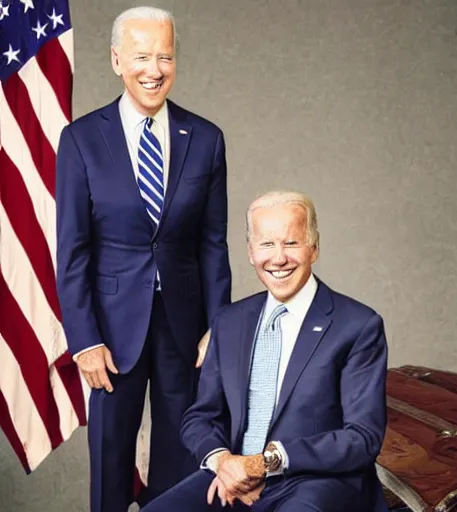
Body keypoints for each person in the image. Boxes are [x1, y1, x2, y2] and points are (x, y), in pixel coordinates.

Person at [55, 6, 231, 512]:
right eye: (141, 56)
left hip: (186, 331)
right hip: (109, 334)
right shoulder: (82, 140)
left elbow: (212, 245)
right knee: (111, 466)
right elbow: (72, 251)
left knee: (183, 463)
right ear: (116, 60)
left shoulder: (206, 139)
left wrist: (217, 327)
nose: (154, 69)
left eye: (165, 56)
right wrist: (83, 339)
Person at [142, 191, 389, 512]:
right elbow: (201, 416)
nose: (278, 257)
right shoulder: (229, 321)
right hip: (231, 475)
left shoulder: (358, 325)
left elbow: (362, 438)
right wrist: (224, 462)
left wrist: (264, 463)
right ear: (250, 252)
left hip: (316, 481)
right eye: (267, 244)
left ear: (314, 247)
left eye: (291, 243)